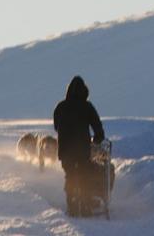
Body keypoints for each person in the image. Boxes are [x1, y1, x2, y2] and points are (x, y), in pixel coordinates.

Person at [53, 75, 105, 216]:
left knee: (70, 176)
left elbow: (56, 126)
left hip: (65, 151)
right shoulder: (87, 107)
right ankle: (86, 206)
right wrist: (97, 139)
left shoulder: (61, 106)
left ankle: (72, 206)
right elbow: (97, 127)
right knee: (84, 176)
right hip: (82, 150)